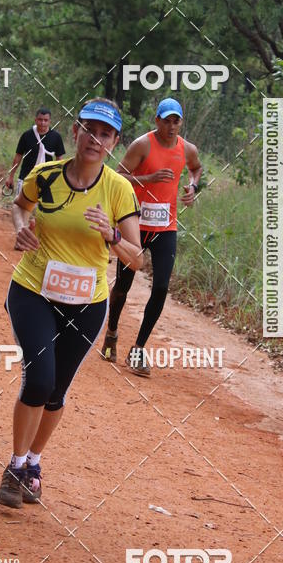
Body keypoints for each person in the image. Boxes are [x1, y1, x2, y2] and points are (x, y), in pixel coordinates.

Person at [0, 98, 143, 509]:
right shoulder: (45, 175)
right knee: (39, 379)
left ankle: (34, 466)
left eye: (106, 134)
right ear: (75, 131)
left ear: (114, 142)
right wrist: (22, 229)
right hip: (33, 291)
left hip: (86, 303)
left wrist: (111, 236)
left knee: (57, 390)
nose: (96, 140)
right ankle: (15, 465)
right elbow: (20, 207)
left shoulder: (118, 189)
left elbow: (138, 257)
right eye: (90, 130)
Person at [101, 97, 202, 378]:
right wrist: (148, 179)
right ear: (156, 121)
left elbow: (197, 168)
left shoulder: (187, 149)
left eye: (176, 121)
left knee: (160, 288)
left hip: (166, 228)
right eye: (166, 120)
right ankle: (111, 331)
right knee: (123, 284)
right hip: (136, 224)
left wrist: (193, 187)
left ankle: (139, 349)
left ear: (181, 122)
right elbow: (117, 176)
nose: (171, 126)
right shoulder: (142, 145)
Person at [5, 108, 66, 197]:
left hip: (46, 180)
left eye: (45, 120)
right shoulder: (27, 135)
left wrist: (59, 179)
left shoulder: (56, 137)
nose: (43, 123)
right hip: (25, 177)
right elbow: (18, 156)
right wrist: (10, 176)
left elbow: (59, 160)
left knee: (41, 209)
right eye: (40, 120)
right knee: (19, 206)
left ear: (50, 121)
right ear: (35, 120)